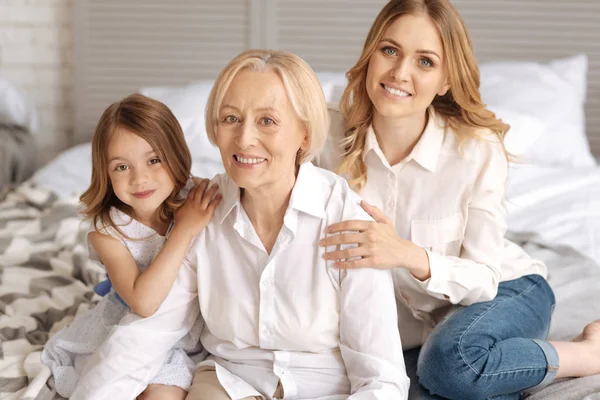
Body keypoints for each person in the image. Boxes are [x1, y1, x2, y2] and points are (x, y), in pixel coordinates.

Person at [68, 49, 410, 400]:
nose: (244, 139)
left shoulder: (346, 217)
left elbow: (380, 375)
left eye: (267, 121)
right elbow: (148, 333)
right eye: (231, 119)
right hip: (229, 382)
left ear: (304, 136)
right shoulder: (201, 210)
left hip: (326, 386)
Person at [315, 1, 600, 399]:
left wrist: (407, 254)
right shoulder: (323, 134)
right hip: (415, 333)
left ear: (446, 81)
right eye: (390, 50)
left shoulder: (476, 151)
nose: (400, 73)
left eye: (425, 62)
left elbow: (483, 277)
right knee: (420, 385)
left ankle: (584, 355)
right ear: (370, 53)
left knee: (449, 366)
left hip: (505, 288)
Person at [41, 93, 221, 400]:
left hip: (189, 336)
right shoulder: (109, 233)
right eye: (122, 167)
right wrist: (185, 229)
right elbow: (144, 303)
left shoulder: (198, 196)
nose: (140, 179)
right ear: (106, 173)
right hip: (133, 328)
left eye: (153, 160)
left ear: (175, 156)